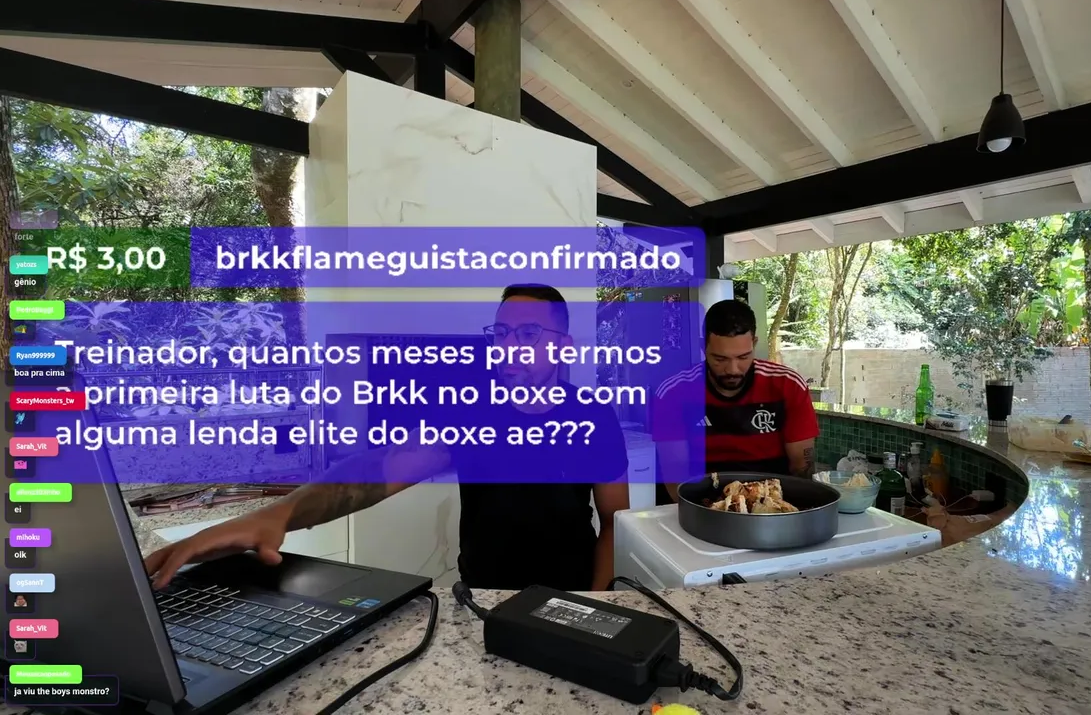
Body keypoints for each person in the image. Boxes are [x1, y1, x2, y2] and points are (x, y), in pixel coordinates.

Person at [146, 285, 630, 592]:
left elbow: (614, 522)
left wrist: (599, 599)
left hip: (570, 593)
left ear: (563, 347)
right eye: (501, 332)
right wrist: (276, 514)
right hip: (483, 595)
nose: (508, 346)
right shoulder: (469, 412)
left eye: (527, 334)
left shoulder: (594, 417)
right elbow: (374, 474)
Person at [652, 299, 819, 504]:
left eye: (743, 357)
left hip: (770, 504)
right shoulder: (673, 393)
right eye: (720, 359)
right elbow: (676, 475)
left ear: (754, 344)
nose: (732, 369)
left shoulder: (788, 385)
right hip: (700, 504)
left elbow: (802, 467)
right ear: (702, 347)